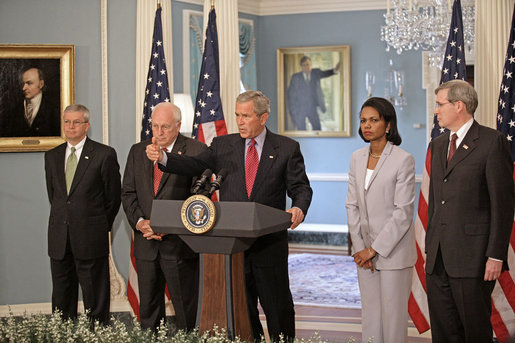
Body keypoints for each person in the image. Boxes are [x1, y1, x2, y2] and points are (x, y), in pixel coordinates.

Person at [145, 90, 313, 341]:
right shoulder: (224, 145)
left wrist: (298, 208)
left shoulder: (286, 148)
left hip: (269, 245)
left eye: (246, 116)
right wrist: (165, 158)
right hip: (233, 247)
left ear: (263, 117)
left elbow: (301, 187)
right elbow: (194, 164)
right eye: (237, 115)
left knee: (277, 309)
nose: (240, 121)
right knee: (242, 311)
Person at [425, 80, 514, 342]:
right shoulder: (439, 144)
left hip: (473, 260)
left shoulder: (491, 142)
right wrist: (430, 247)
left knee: (474, 332)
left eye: (440, 105)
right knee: (444, 332)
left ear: (459, 105)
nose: (436, 111)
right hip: (438, 259)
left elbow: (503, 204)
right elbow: (436, 201)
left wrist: (496, 256)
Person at [121, 102, 206, 331]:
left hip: (179, 245)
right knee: (148, 312)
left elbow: (198, 200)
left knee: (186, 312)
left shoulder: (196, 151)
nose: (158, 133)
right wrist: (141, 223)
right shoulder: (138, 151)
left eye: (165, 127)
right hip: (146, 242)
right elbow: (128, 193)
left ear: (178, 126)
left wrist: (169, 225)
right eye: (155, 126)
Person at [345, 97, 416, 343]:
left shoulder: (403, 159)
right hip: (364, 254)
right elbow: (351, 205)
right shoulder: (356, 157)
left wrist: (374, 249)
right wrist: (360, 248)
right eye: (363, 120)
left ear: (388, 125)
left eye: (374, 120)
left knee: (393, 320)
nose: (367, 125)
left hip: (393, 253)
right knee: (371, 318)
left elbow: (403, 212)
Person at [44, 104, 121, 324]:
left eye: (76, 122)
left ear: (87, 126)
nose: (70, 126)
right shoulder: (52, 156)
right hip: (60, 239)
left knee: (95, 300)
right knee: (61, 300)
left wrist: (98, 226)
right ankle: (65, 335)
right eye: (67, 121)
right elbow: (55, 198)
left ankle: (98, 336)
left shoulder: (104, 154)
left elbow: (113, 198)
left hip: (91, 238)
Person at [287, 56, 339, 130]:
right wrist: (293, 110)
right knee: (301, 131)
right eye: (304, 65)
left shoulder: (316, 73)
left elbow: (325, 73)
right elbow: (291, 94)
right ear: (301, 66)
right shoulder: (295, 77)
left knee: (317, 128)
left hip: (312, 108)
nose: (306, 67)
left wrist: (335, 70)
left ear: (311, 65)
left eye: (308, 64)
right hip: (300, 109)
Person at [10, 67, 60, 137]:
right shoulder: (14, 110)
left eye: (29, 83)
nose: (23, 88)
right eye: (23, 83)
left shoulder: (54, 110)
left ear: (41, 84)